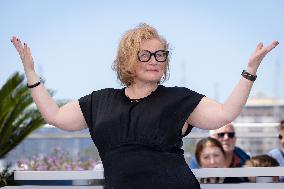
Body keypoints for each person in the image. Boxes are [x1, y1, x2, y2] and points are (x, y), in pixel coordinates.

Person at [11, 23, 279, 189]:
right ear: (128, 60)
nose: (155, 60)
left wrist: (250, 70)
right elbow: (55, 116)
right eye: (146, 54)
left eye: (160, 54)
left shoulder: (178, 98)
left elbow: (225, 113)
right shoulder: (99, 101)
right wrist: (31, 74)